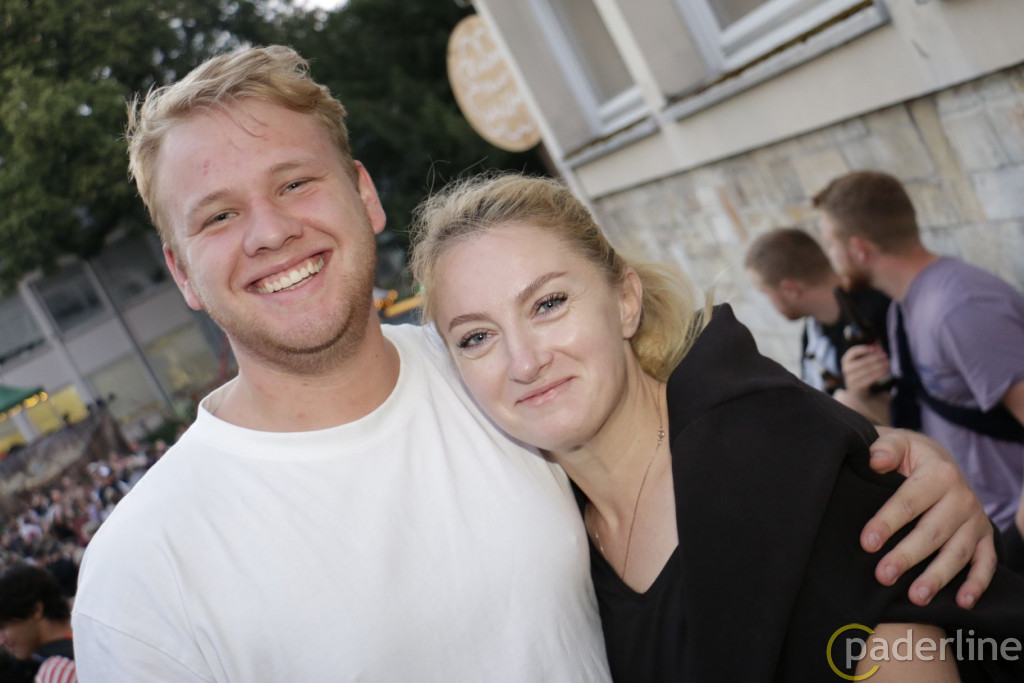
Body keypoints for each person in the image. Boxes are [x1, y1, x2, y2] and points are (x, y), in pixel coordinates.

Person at [71, 46, 999, 680]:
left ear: (364, 196)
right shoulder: (143, 574)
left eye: (295, 181)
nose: (271, 231)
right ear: (180, 272)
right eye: (219, 215)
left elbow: (731, 467)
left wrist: (887, 462)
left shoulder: (491, 380)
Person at [410, 172, 1024, 681]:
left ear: (625, 301)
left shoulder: (775, 454)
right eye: (477, 337)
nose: (524, 361)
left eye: (548, 304)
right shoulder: (546, 532)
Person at [815, 171, 1024, 566]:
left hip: (1010, 533)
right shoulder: (905, 307)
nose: (830, 258)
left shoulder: (960, 307)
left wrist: (1014, 548)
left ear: (858, 248)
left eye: (830, 243)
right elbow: (939, 414)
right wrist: (860, 396)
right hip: (978, 529)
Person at [744, 227, 891, 421]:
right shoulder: (813, 329)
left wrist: (856, 397)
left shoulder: (878, 313)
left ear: (790, 289)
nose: (768, 303)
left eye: (765, 293)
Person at [0, 564, 77, 683]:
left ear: (36, 610)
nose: (1, 640)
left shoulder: (57, 670)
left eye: (4, 626)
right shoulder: (87, 641)